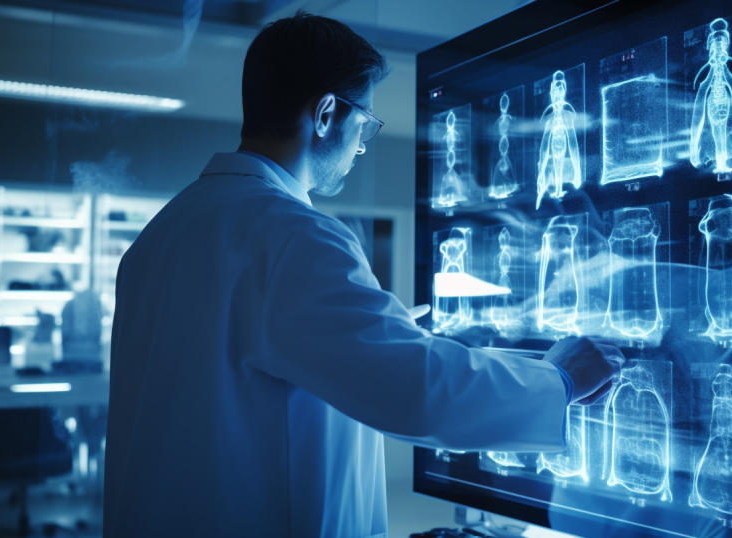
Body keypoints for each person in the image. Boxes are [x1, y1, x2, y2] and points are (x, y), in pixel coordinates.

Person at [103, 13, 623, 538]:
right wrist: (556, 380)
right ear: (326, 113)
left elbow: (243, 355)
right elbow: (419, 392)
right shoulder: (295, 237)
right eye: (366, 123)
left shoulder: (161, 235)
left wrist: (381, 327)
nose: (364, 144)